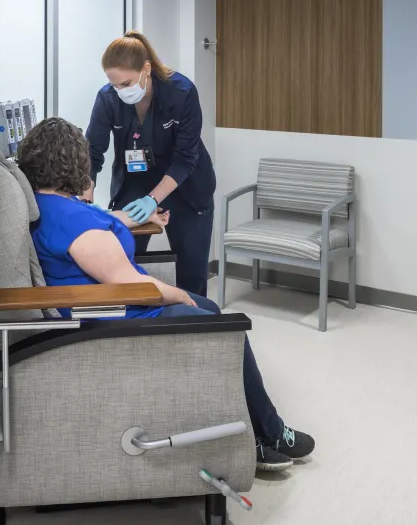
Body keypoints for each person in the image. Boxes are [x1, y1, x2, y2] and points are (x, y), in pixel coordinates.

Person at [18, 117, 314, 472]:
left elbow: (95, 220)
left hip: (111, 310)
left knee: (212, 307)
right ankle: (269, 433)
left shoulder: (50, 207)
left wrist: (129, 218)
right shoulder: (74, 223)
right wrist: (177, 295)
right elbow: (134, 288)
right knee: (225, 325)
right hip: (122, 319)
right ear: (73, 162)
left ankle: (264, 433)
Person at [84, 31, 216, 299]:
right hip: (135, 184)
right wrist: (85, 194)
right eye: (114, 84)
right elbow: (93, 151)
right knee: (123, 259)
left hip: (186, 187)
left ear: (146, 69)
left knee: (191, 273)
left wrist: (152, 200)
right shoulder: (108, 98)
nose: (120, 91)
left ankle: (194, 324)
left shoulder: (182, 92)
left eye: (126, 83)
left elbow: (185, 159)